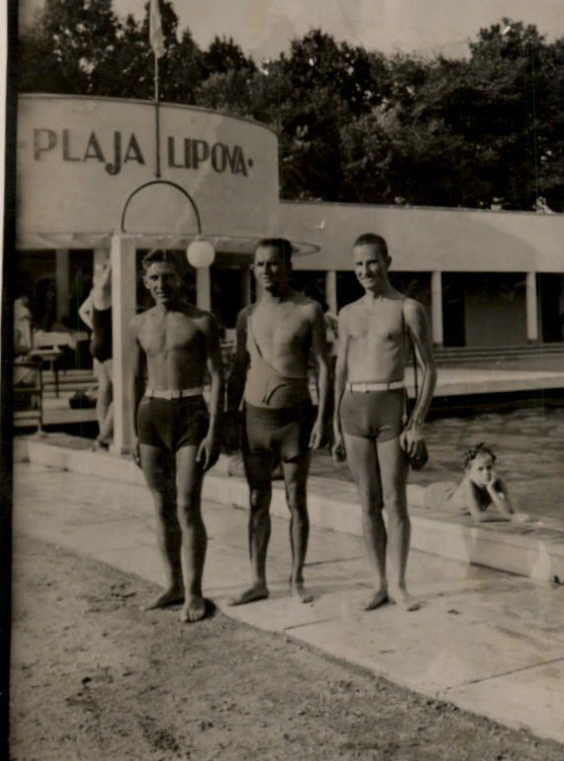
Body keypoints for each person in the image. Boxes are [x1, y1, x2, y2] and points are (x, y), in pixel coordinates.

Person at [332, 233, 436, 611]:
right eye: (358, 264)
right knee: (367, 502)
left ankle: (400, 584)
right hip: (353, 410)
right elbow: (340, 370)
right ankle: (377, 583)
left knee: (396, 501)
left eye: (372, 262)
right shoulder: (346, 313)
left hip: (392, 406)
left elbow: (429, 370)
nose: (365, 271)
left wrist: (417, 423)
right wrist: (332, 422)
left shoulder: (408, 308)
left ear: (388, 261)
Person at [227, 238, 330, 606]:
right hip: (254, 418)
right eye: (259, 264)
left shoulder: (309, 310)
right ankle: (258, 580)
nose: (266, 270)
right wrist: (228, 418)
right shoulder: (247, 316)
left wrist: (324, 417)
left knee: (296, 500)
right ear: (253, 269)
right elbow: (238, 370)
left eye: (273, 263)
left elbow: (323, 366)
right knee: (257, 500)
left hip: (295, 419)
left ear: (288, 266)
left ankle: (297, 578)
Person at [130, 250, 224, 623]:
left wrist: (215, 430)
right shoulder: (138, 323)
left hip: (190, 413)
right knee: (161, 505)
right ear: (145, 282)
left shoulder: (202, 321)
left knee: (187, 505)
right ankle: (173, 585)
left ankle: (196, 592)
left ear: (181, 278)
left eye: (168, 277)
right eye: (154, 278)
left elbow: (218, 375)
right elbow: (135, 378)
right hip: (151, 413)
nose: (161, 284)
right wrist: (134, 433)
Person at [423, 443, 515, 523]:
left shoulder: (496, 481)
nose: (486, 472)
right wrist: (510, 518)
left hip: (453, 489)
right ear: (468, 472)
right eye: (480, 469)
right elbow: (478, 517)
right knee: (411, 493)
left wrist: (491, 489)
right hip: (439, 497)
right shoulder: (468, 483)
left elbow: (508, 511)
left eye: (489, 467)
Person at [79, 258, 114, 450]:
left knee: (105, 390)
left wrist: (94, 327)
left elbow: (81, 311)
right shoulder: (101, 290)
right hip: (108, 347)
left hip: (98, 344)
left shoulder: (96, 293)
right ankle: (104, 434)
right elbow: (103, 280)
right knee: (124, 392)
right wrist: (112, 260)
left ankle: (103, 433)